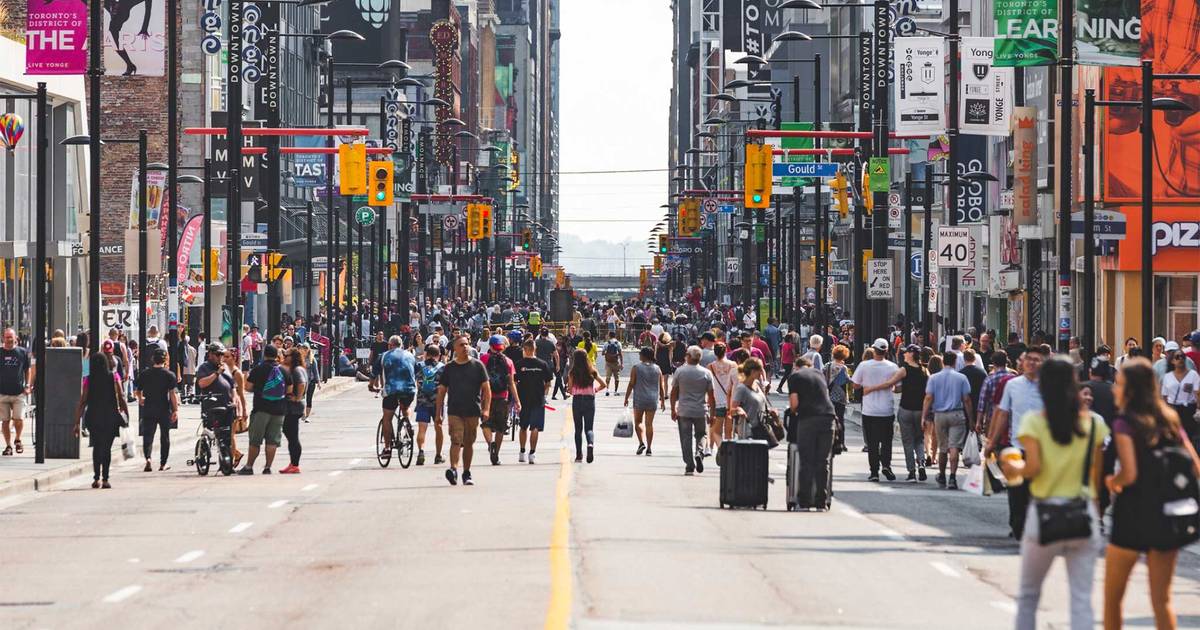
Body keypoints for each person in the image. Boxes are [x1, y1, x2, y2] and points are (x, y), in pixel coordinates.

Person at [1002, 355, 1108, 630]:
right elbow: (1096, 480)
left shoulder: (1034, 423)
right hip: (1083, 512)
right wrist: (1097, 517)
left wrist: (1012, 467)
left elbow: (1032, 468)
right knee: (1082, 599)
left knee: (1028, 595)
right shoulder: (1094, 424)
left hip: (1045, 513)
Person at [1104, 358, 1200, 630]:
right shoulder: (1169, 418)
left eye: (1119, 384)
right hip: (1167, 515)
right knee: (1162, 599)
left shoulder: (1124, 422)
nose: (1114, 389)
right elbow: (1195, 465)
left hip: (1132, 513)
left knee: (1113, 598)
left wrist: (1113, 481)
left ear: (1131, 390)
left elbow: (1130, 472)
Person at [987, 345, 1048, 539]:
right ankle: (1017, 525)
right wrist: (992, 441)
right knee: (1015, 490)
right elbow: (1003, 413)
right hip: (1015, 447)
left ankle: (1033, 525)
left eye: (1036, 359)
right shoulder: (1013, 385)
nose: (1031, 363)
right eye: (1028, 359)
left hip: (1042, 448)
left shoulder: (1050, 385)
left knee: (1036, 491)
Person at [438, 335, 490, 486]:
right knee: (456, 440)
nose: (465, 347)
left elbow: (487, 389)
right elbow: (441, 391)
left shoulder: (478, 366)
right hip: (454, 410)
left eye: (467, 344)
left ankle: (466, 472)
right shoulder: (449, 368)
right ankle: (453, 469)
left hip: (473, 410)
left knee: (468, 442)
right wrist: (438, 414)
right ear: (455, 349)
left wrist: (486, 409)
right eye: (461, 345)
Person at [787, 356, 838, 509]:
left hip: (808, 418)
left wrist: (793, 411)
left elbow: (794, 403)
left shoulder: (795, 376)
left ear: (796, 366)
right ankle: (821, 501)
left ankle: (804, 500)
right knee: (823, 461)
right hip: (829, 418)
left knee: (807, 460)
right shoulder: (819, 374)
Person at [920, 350, 974, 489]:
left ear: (943, 361)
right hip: (957, 414)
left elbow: (928, 397)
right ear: (955, 361)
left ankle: (942, 475)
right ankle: (953, 477)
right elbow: (967, 399)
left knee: (943, 447)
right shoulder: (961, 378)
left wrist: (924, 416)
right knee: (954, 447)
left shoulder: (934, 378)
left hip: (940, 415)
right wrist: (971, 419)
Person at [73, 354, 127, 488]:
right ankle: (105, 479)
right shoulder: (114, 377)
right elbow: (121, 397)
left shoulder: (88, 380)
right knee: (106, 448)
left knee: (97, 446)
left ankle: (96, 478)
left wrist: (76, 422)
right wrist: (127, 415)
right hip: (110, 416)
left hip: (93, 416)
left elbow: (83, 401)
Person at [238, 344, 292, 475]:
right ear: (276, 356)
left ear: (264, 354)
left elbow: (248, 387)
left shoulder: (258, 369)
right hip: (279, 411)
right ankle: (267, 467)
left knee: (255, 441)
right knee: (272, 440)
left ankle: (249, 466)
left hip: (261, 409)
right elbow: (289, 390)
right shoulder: (284, 371)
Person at [851, 339, 900, 482]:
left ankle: (874, 472)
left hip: (869, 410)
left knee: (872, 443)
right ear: (886, 351)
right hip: (886, 409)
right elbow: (898, 387)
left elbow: (855, 385)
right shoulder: (893, 367)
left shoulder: (864, 365)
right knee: (886, 441)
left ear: (874, 349)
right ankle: (886, 464)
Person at [670, 346, 715, 476]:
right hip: (701, 410)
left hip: (684, 410)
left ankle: (689, 465)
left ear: (689, 356)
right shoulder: (706, 373)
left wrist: (673, 408)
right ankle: (699, 453)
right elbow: (711, 396)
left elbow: (673, 393)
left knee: (685, 438)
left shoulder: (680, 371)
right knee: (701, 434)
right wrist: (712, 414)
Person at [134, 348, 178, 472]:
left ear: (153, 359)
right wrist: (175, 410)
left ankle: (148, 458)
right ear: (165, 359)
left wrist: (140, 399)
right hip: (163, 408)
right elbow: (172, 394)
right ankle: (163, 463)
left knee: (148, 435)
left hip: (149, 407)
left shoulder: (145, 373)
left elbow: (138, 390)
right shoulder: (169, 375)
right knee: (165, 436)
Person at [375, 335, 417, 455]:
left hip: (391, 390)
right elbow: (416, 371)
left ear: (390, 345)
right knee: (406, 407)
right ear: (401, 345)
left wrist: (372, 386)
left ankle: (387, 448)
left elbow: (374, 374)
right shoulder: (410, 356)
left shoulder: (384, 356)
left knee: (387, 418)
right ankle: (408, 422)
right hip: (408, 390)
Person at [481, 335, 519, 465]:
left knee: (486, 424)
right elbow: (511, 383)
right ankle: (496, 453)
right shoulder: (508, 361)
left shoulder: (483, 359)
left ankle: (490, 443)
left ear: (490, 346)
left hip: (486, 397)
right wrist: (517, 401)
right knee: (501, 427)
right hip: (503, 397)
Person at [515, 339, 553, 464]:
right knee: (535, 427)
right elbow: (548, 382)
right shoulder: (542, 364)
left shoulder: (519, 364)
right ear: (534, 349)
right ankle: (532, 453)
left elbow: (514, 382)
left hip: (523, 398)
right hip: (538, 398)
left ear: (525, 350)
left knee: (523, 426)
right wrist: (543, 391)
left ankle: (522, 452)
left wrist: (515, 398)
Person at [625, 346, 665, 455]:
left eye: (640, 354)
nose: (639, 355)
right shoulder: (657, 369)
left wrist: (626, 397)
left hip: (639, 399)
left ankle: (641, 442)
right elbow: (661, 386)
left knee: (638, 422)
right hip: (652, 399)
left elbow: (631, 383)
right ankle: (649, 448)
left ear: (643, 355)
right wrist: (663, 400)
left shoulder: (636, 367)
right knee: (649, 424)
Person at [567, 348, 605, 463]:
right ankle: (590, 444)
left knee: (578, 429)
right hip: (589, 399)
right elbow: (603, 384)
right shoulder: (592, 371)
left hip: (577, 400)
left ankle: (579, 455)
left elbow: (570, 389)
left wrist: (571, 390)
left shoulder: (572, 373)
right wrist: (595, 390)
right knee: (589, 428)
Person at [0, 328, 33, 456]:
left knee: (18, 418)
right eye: (6, 337)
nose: (8, 339)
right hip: (2, 393)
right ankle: (8, 446)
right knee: (5, 421)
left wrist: (28, 385)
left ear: (15, 339)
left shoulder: (22, 353)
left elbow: (27, 370)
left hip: (19, 392)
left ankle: (18, 439)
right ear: (3, 338)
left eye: (10, 337)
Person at [413, 344, 445, 466]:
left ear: (427, 354)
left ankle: (421, 451)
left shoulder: (420, 366)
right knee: (439, 428)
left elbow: (416, 381)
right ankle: (438, 455)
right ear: (439, 355)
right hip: (438, 402)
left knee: (422, 429)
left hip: (422, 401)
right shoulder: (442, 368)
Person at [279, 347, 309, 474]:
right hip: (291, 406)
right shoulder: (295, 369)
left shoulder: (297, 369)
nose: (285, 357)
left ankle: (295, 464)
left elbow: (301, 384)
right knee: (289, 433)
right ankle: (293, 462)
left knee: (293, 435)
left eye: (287, 356)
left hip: (294, 407)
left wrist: (297, 397)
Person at [1161, 349, 1199, 444]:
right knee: (1174, 437)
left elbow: (1197, 393)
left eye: (1183, 356)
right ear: (1172, 361)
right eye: (1177, 357)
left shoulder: (1193, 375)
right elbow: (1164, 396)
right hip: (1173, 409)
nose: (1180, 359)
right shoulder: (1167, 377)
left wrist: (1198, 408)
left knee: (1188, 437)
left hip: (1189, 410)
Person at [729, 357, 771, 443]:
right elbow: (732, 410)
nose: (762, 373)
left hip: (761, 428)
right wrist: (738, 410)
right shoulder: (742, 388)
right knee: (749, 455)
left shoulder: (757, 384)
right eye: (760, 370)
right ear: (753, 372)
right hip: (748, 430)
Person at [707, 342, 738, 453]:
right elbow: (736, 382)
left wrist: (708, 401)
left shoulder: (710, 366)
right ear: (725, 351)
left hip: (717, 401)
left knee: (716, 431)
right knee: (729, 431)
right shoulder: (733, 365)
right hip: (731, 401)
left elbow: (709, 386)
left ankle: (721, 448)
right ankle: (729, 452)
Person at [823, 344, 852, 454]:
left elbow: (821, 376)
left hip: (829, 395)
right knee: (840, 420)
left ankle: (829, 440)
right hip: (840, 396)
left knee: (829, 419)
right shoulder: (844, 368)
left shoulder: (828, 365)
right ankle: (841, 442)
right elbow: (847, 380)